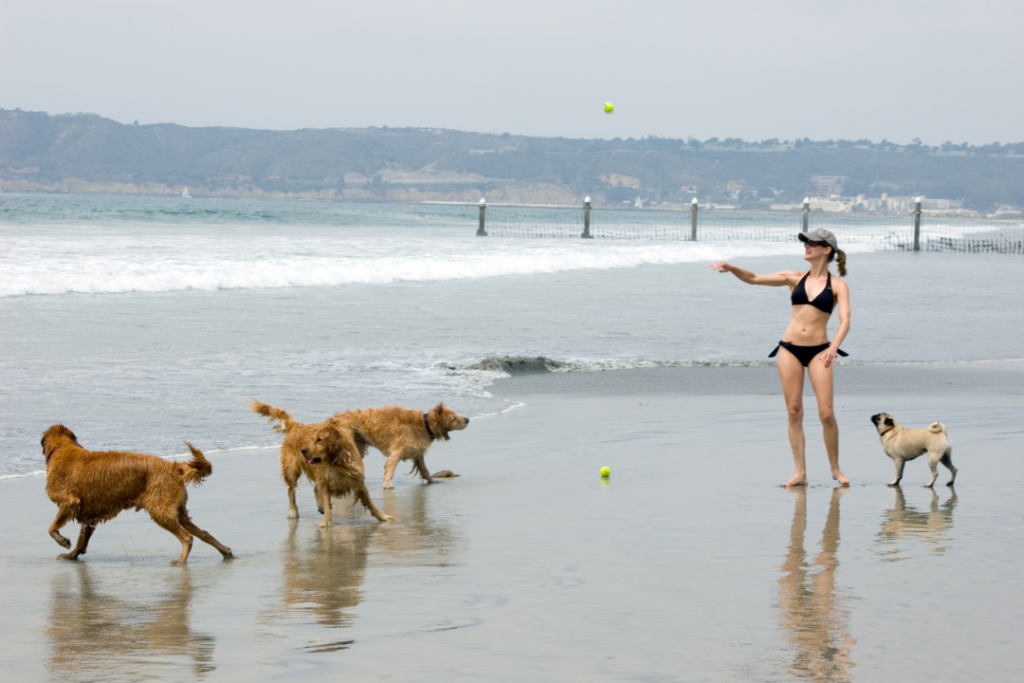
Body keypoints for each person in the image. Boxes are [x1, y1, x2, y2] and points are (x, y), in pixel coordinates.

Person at [711, 228, 851, 487]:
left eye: (811, 243)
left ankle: (835, 468)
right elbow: (753, 278)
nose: (806, 246)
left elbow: (845, 321)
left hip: (821, 350)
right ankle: (800, 473)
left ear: (826, 249)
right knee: (794, 411)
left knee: (827, 414)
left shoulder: (839, 286)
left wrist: (834, 347)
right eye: (805, 242)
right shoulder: (793, 277)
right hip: (789, 349)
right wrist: (732, 268)